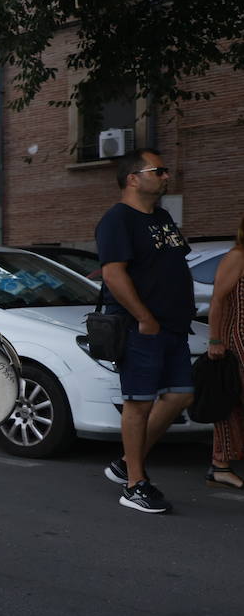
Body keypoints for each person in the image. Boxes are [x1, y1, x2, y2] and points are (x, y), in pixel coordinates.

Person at [95, 149, 195, 513]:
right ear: (133, 178)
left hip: (174, 327)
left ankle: (125, 462)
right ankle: (135, 484)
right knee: (138, 403)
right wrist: (144, 318)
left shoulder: (163, 217)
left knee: (181, 395)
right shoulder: (117, 220)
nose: (167, 176)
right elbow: (113, 274)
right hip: (141, 328)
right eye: (159, 170)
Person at [204, 215, 244, 489]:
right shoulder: (238, 257)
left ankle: (220, 465)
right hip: (238, 343)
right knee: (231, 404)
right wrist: (215, 339)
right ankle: (220, 465)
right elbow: (217, 300)